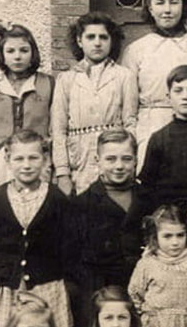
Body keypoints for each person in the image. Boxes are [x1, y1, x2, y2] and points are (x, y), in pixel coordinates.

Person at [0, 130, 74, 327]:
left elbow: (67, 242)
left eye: (33, 158)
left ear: (45, 160)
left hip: (45, 284)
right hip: (6, 284)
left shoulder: (55, 197)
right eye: (19, 159)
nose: (26, 165)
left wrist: (54, 273)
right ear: (8, 160)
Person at [120, 0, 187, 170]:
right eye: (160, 3)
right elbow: (128, 107)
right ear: (151, 8)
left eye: (174, 2)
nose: (167, 10)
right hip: (149, 127)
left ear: (183, 6)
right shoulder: (136, 50)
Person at [69, 129, 148, 327]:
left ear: (136, 160)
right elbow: (73, 258)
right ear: (97, 161)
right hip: (98, 288)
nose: (119, 166)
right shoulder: (81, 204)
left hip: (141, 287)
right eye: (111, 159)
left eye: (126, 159)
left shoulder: (148, 199)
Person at [52, 12, 138, 195]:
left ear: (111, 41)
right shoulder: (66, 79)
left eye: (103, 37)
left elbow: (130, 123)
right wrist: (62, 174)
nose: (97, 43)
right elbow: (58, 129)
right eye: (90, 37)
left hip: (114, 157)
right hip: (80, 159)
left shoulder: (124, 76)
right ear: (79, 40)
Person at [138, 64, 187, 213]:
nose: (185, 96)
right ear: (169, 97)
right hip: (170, 216)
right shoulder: (159, 138)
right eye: (178, 91)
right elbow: (147, 186)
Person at [0, 22, 54, 188]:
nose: (17, 56)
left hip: (37, 158)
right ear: (2, 55)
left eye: (24, 50)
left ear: (33, 53)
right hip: (2, 160)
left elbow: (54, 128)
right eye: (10, 51)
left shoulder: (48, 84)